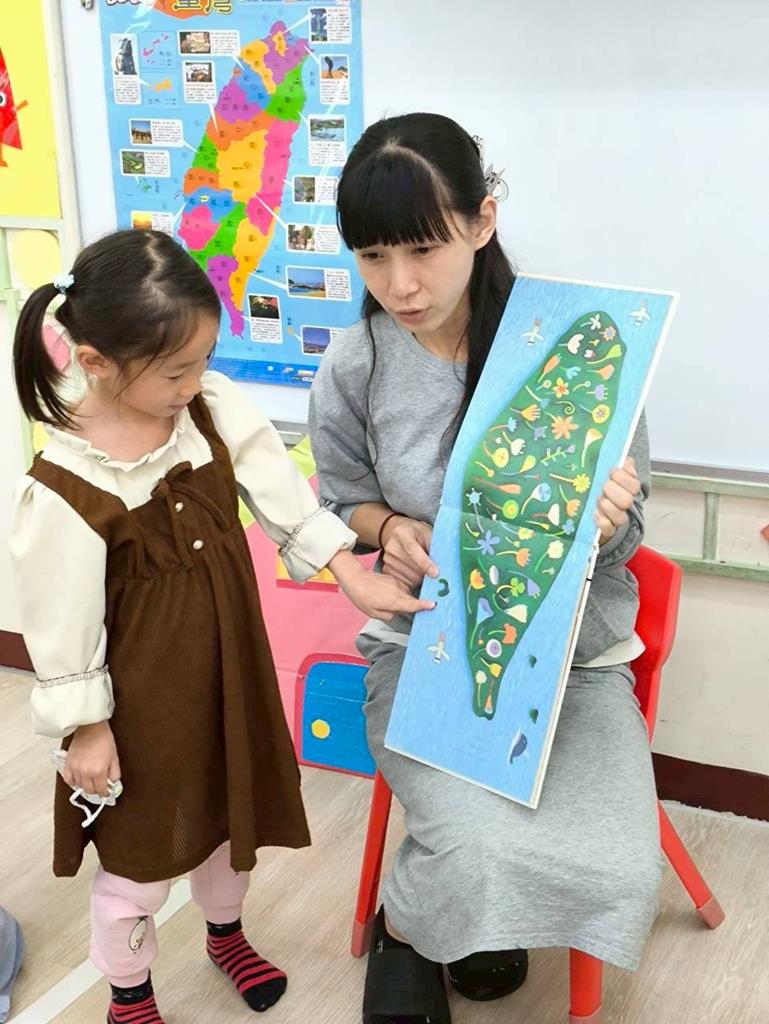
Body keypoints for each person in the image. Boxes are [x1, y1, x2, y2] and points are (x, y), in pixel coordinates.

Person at [10, 229, 430, 1024]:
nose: (194, 381)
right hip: (140, 705)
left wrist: (351, 572)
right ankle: (128, 992)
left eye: (202, 360)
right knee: (140, 859)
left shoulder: (208, 406)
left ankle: (225, 934)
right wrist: (86, 728)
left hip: (227, 670)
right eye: (175, 370)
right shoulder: (66, 480)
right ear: (96, 361)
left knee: (227, 823)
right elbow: (60, 625)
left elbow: (281, 496)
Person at [309, 112, 661, 1024]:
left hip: (575, 656)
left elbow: (624, 536)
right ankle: (410, 927)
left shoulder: (573, 343)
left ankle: (466, 917)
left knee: (622, 866)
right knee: (470, 843)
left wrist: (604, 522)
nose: (399, 284)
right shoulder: (356, 362)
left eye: (422, 249)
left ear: (481, 221)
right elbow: (340, 495)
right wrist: (386, 525)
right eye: (372, 256)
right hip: (423, 645)